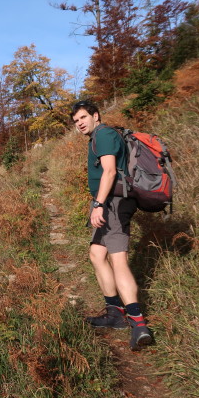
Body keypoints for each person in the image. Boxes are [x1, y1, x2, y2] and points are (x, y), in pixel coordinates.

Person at [71, 100, 152, 351]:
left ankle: (139, 324)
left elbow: (109, 172)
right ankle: (114, 312)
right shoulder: (98, 136)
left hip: (112, 203)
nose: (80, 123)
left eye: (83, 117)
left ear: (96, 115)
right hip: (109, 202)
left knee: (118, 259)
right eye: (76, 121)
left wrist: (98, 204)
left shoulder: (104, 134)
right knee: (97, 255)